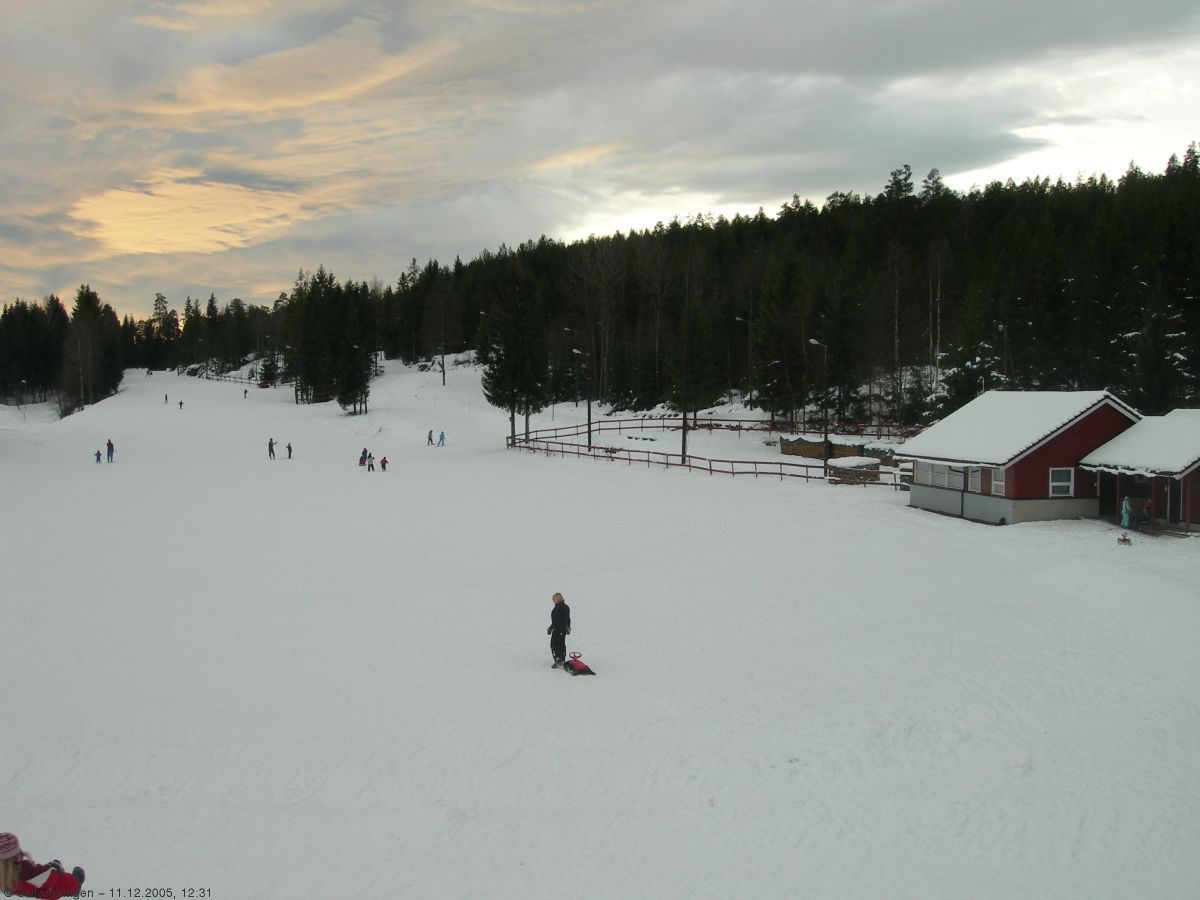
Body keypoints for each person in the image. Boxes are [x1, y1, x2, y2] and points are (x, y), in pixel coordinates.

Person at [0, 832, 85, 899]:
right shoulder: (26, 870)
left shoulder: (4, 878)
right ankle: (75, 886)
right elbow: (47, 875)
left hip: (34, 889)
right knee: (57, 881)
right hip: (47, 891)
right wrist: (55, 867)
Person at [547, 592, 571, 668]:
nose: (553, 601)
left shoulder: (558, 608)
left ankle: (558, 659)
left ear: (558, 598)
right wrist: (568, 627)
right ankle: (562, 658)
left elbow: (556, 621)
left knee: (554, 644)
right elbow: (568, 619)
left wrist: (551, 628)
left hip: (558, 629)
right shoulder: (566, 607)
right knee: (561, 643)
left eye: (554, 599)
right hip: (563, 630)